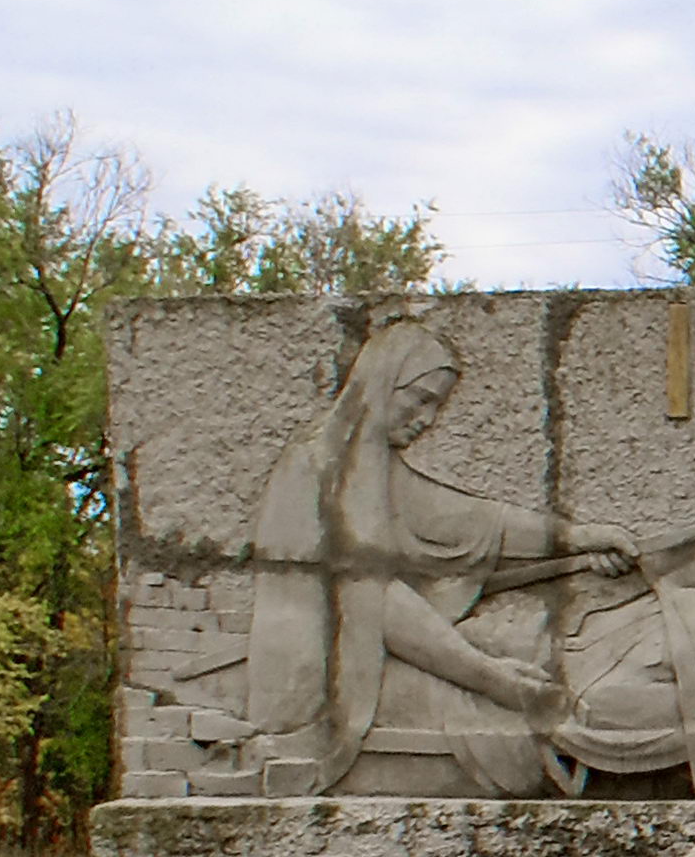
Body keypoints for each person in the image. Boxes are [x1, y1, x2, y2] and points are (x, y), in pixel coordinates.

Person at [242, 321, 639, 791]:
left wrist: (579, 543)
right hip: (330, 685)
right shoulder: (312, 470)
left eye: (438, 405)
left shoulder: (380, 474)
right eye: (421, 398)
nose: (427, 419)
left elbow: (475, 524)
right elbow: (369, 600)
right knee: (494, 708)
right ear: (382, 383)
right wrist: (493, 680)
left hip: (384, 654)